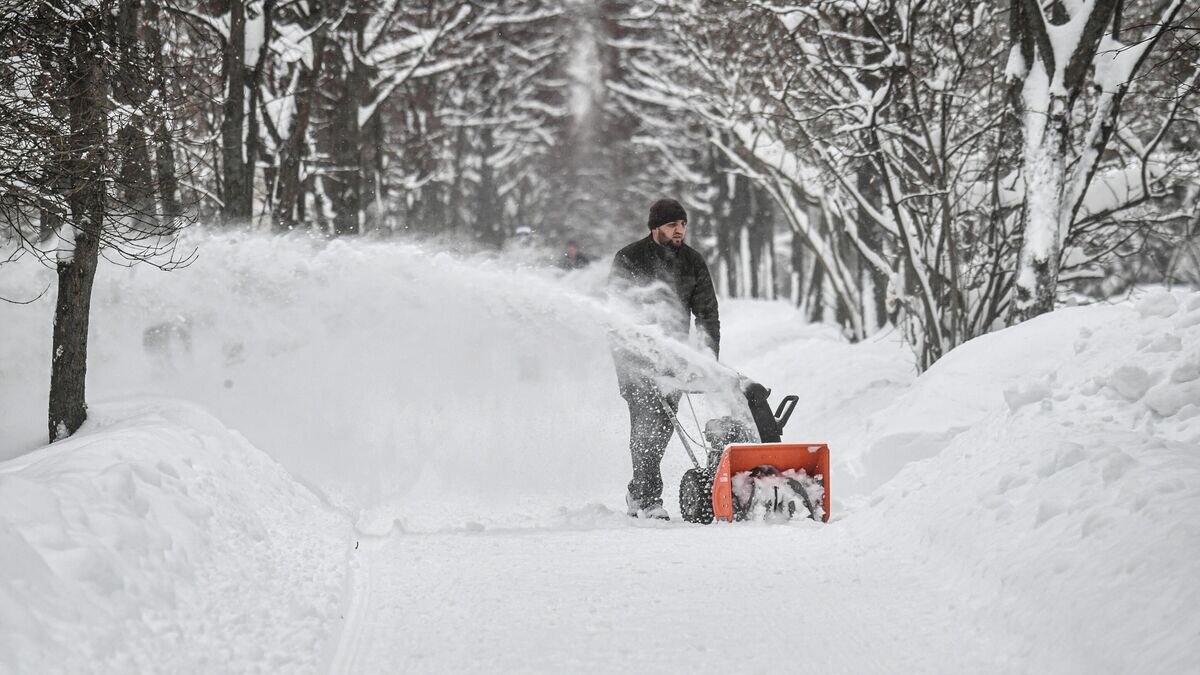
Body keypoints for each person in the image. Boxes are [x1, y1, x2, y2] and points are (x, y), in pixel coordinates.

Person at [608, 197, 720, 520]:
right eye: (672, 225)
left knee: (663, 427)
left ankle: (636, 491)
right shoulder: (629, 258)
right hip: (633, 358)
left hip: (673, 358)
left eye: (683, 224)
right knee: (645, 424)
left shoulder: (693, 262)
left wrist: (708, 355)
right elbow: (618, 310)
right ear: (656, 227)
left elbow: (707, 314)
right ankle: (650, 501)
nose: (679, 231)